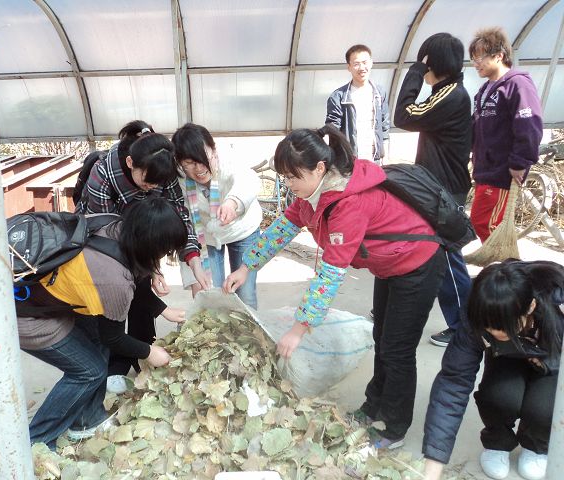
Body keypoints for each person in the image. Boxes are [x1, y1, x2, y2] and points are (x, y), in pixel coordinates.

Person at [223, 124, 446, 449]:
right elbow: (281, 229)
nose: (289, 184)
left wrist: (299, 328)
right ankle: (374, 406)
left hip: (417, 264)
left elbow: (329, 274)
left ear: (319, 168)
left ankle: (393, 427)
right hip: (388, 265)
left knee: (397, 348)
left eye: (293, 176)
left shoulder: (348, 203)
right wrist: (246, 267)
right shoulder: (311, 195)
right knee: (382, 337)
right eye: (285, 177)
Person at [18, 197, 188, 450]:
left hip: (48, 296)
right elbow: (114, 337)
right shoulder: (115, 280)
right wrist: (149, 352)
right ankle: (35, 442)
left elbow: (132, 281)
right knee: (90, 370)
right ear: (150, 246)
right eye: (163, 252)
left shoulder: (114, 225)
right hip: (26, 315)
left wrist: (162, 309)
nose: (162, 258)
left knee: (96, 344)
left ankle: (86, 420)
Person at [76, 121, 210, 394]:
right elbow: (106, 235)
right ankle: (115, 365)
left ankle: (143, 354)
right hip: (107, 241)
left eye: (157, 184)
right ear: (130, 163)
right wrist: (150, 268)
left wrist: (193, 259)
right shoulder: (104, 175)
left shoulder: (163, 170)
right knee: (116, 296)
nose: (151, 188)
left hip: (144, 236)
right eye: (146, 182)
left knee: (140, 290)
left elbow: (179, 216)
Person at [422, 260, 564, 480]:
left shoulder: (557, 303)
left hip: (551, 359)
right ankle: (498, 443)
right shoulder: (477, 311)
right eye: (490, 329)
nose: (496, 334)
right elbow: (453, 384)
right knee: (498, 397)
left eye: (505, 327)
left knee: (544, 408)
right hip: (507, 356)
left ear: (530, 307)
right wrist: (432, 468)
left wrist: (549, 363)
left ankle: (536, 446)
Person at [394, 33, 472, 348]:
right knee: (433, 253)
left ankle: (464, 327)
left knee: (448, 259)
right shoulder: (446, 93)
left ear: (433, 62)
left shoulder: (451, 95)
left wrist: (414, 71)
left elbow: (404, 116)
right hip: (439, 187)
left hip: (445, 191)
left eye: (425, 61)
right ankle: (458, 321)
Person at [171, 123, 263, 309]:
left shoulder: (228, 159)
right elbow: (183, 224)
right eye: (189, 163)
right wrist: (194, 279)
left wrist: (232, 202)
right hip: (206, 238)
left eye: (203, 159)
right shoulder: (177, 179)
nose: (199, 168)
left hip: (242, 230)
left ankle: (249, 326)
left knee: (245, 295)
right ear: (180, 163)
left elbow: (249, 181)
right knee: (210, 294)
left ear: (213, 150)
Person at [469, 27, 543, 242]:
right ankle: (500, 261)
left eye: (480, 58)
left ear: (499, 56)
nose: (476, 64)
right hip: (485, 169)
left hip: (503, 171)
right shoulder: (485, 89)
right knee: (484, 224)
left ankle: (503, 262)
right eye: (473, 59)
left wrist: (520, 162)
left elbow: (529, 125)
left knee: (486, 223)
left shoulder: (518, 84)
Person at [325, 44, 390, 164]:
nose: (361, 67)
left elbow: (384, 125)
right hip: (350, 162)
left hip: (375, 159)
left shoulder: (379, 93)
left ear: (371, 63)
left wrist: (385, 155)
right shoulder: (338, 97)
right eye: (356, 64)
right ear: (349, 67)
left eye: (365, 62)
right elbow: (333, 131)